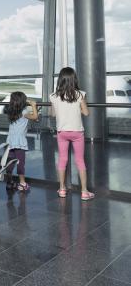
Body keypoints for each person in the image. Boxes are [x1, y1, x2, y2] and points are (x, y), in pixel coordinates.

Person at [50, 67, 94, 201]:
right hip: (77, 132)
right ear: (74, 79)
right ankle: (84, 192)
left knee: (62, 160)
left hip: (62, 132)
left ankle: (62, 189)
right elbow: (86, 113)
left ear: (60, 80)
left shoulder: (54, 96)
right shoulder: (80, 94)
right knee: (80, 160)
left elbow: (52, 114)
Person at [3, 91, 38, 191]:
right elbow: (35, 117)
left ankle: (9, 182)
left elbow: (30, 117)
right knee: (20, 163)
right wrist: (33, 105)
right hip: (19, 143)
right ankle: (22, 183)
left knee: (10, 162)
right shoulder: (24, 112)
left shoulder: (11, 112)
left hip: (10, 141)